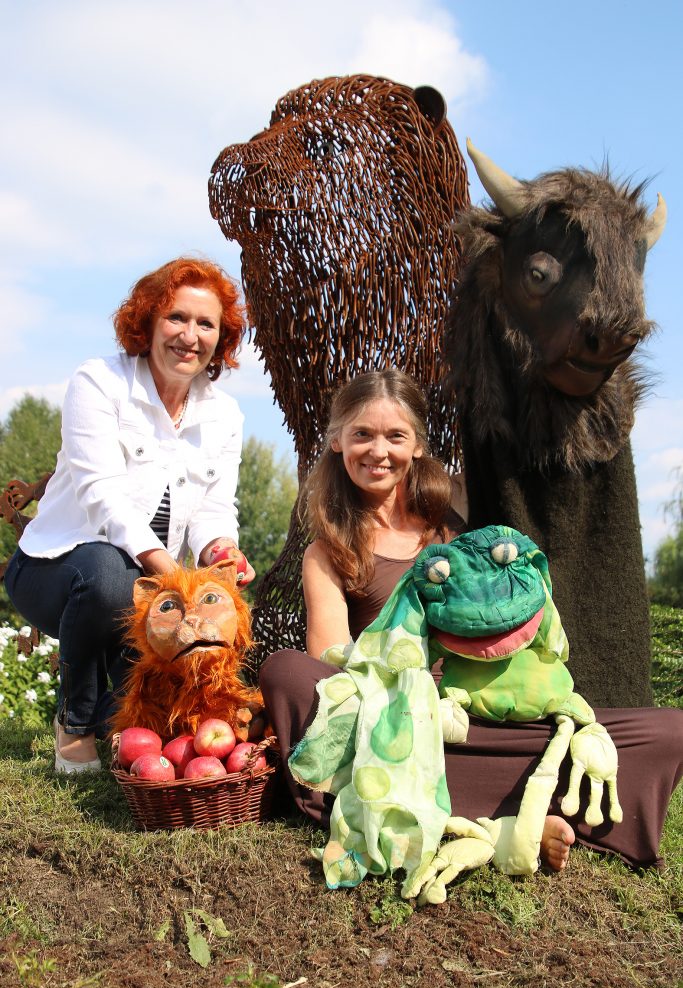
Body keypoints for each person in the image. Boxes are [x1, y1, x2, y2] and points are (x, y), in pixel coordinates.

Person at [260, 369, 683, 873]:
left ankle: (455, 804)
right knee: (286, 671)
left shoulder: (452, 528)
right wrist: (409, 694)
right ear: (337, 441)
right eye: (362, 434)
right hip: (392, 719)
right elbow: (330, 659)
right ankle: (519, 811)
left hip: (478, 713)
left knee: (668, 731)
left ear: (418, 446)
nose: (379, 451)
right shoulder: (327, 551)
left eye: (395, 436)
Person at [4, 256, 255, 773]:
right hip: (55, 570)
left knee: (142, 726)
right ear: (148, 321)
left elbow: (214, 508)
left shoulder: (225, 415)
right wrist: (173, 577)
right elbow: (103, 496)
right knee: (109, 574)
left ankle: (109, 720)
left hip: (149, 588)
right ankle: (74, 724)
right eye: (176, 317)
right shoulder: (98, 381)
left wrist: (220, 552)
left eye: (206, 324)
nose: (190, 336)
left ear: (221, 337)